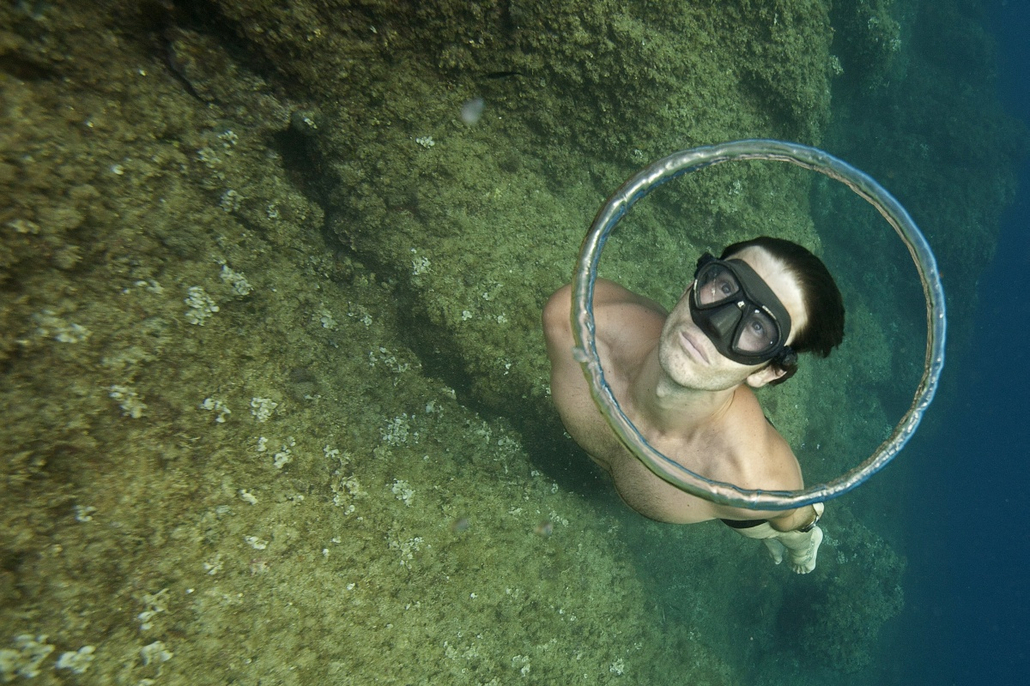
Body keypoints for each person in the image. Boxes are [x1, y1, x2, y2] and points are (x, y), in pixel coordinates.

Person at [542, 236, 845, 573]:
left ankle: (806, 540)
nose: (714, 324)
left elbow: (789, 512)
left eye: (758, 326)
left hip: (740, 484)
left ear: (771, 372)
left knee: (778, 525)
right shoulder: (576, 319)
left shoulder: (752, 479)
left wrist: (800, 527)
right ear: (691, 285)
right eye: (725, 287)